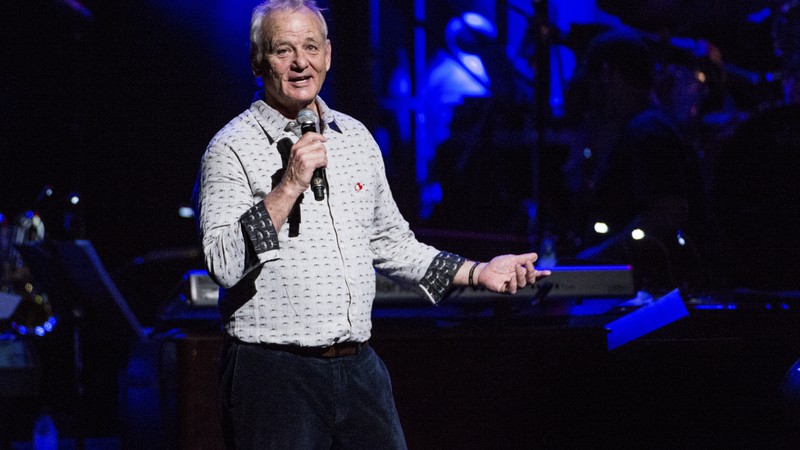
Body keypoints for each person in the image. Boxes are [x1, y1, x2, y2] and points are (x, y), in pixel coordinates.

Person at [191, 1, 551, 448]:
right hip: (274, 375)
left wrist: (478, 272)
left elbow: (393, 244)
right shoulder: (230, 148)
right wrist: (288, 185)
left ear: (328, 54)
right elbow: (223, 265)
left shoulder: (356, 139)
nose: (301, 62)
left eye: (310, 47)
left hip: (359, 370)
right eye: (284, 50)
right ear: (257, 61)